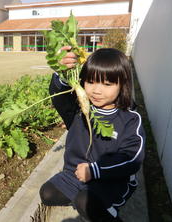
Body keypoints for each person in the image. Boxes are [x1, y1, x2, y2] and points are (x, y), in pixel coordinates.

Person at [39, 48, 145, 222]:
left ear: (123, 85)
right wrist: (62, 73)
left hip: (112, 179)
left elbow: (133, 158)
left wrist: (95, 170)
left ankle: (105, 211)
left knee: (85, 202)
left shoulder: (130, 120)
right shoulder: (78, 110)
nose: (96, 90)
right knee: (47, 194)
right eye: (91, 81)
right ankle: (89, 201)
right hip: (75, 174)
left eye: (107, 84)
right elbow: (59, 96)